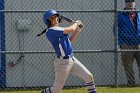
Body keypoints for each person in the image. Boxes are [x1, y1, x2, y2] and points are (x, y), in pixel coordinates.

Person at [40, 9, 96, 93]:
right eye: (52, 18)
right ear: (47, 22)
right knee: (56, 90)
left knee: (88, 76)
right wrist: (76, 23)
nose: (55, 19)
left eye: (55, 17)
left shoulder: (59, 30)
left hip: (72, 59)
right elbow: (70, 29)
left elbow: (70, 40)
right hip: (62, 62)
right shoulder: (51, 31)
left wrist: (78, 29)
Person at [115, 0, 140, 86]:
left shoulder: (138, 13)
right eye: (128, 1)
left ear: (135, 3)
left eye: (131, 1)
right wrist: (121, 43)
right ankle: (131, 84)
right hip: (126, 44)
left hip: (138, 43)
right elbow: (115, 29)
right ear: (125, 3)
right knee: (128, 66)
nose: (130, 3)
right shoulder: (120, 15)